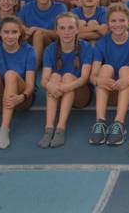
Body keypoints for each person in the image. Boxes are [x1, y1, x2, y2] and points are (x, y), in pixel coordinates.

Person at [89, 3, 129, 146]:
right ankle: (100, 122)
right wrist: (99, 81)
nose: (118, 24)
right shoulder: (102, 43)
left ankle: (119, 123)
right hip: (110, 91)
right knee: (106, 68)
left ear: (128, 22)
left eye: (122, 20)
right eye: (113, 21)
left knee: (125, 70)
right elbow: (93, 76)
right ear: (108, 24)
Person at [0, 16, 36, 150]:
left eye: (14, 32)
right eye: (6, 32)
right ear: (0, 33)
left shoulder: (29, 50)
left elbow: (30, 85)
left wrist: (22, 97)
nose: (10, 36)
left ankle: (4, 129)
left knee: (10, 74)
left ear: (20, 33)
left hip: (21, 100)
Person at [39, 12, 93, 148]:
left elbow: (84, 78)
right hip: (58, 93)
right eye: (62, 28)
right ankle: (49, 128)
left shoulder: (86, 48)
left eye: (70, 27)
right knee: (54, 77)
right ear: (56, 30)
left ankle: (60, 128)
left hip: (81, 95)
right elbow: (43, 80)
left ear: (77, 29)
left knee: (68, 76)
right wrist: (50, 86)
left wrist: (65, 87)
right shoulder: (50, 49)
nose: (66, 32)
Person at [18, 0, 68, 68]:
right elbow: (18, 25)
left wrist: (36, 29)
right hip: (30, 46)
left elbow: (63, 33)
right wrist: (25, 30)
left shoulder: (60, 8)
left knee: (39, 34)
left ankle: (32, 70)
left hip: (53, 48)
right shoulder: (27, 7)